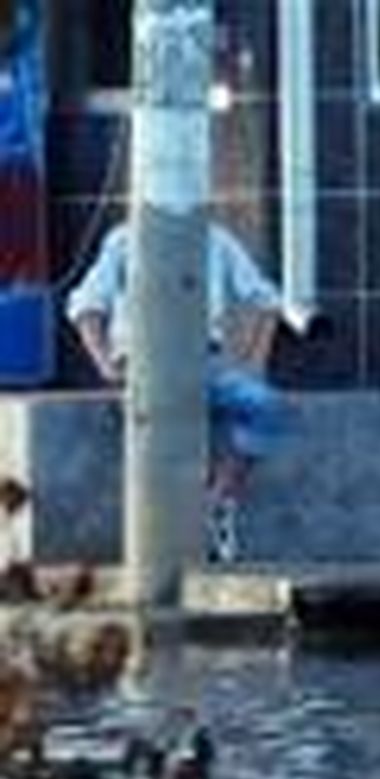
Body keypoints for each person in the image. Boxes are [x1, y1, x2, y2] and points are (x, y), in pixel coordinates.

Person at [65, 219, 285, 563]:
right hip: (144, 362)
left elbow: (268, 299)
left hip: (203, 363)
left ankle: (216, 503)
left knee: (263, 403)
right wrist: (104, 363)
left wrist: (255, 362)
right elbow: (86, 304)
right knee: (159, 424)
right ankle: (160, 533)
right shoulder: (125, 240)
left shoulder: (216, 238)